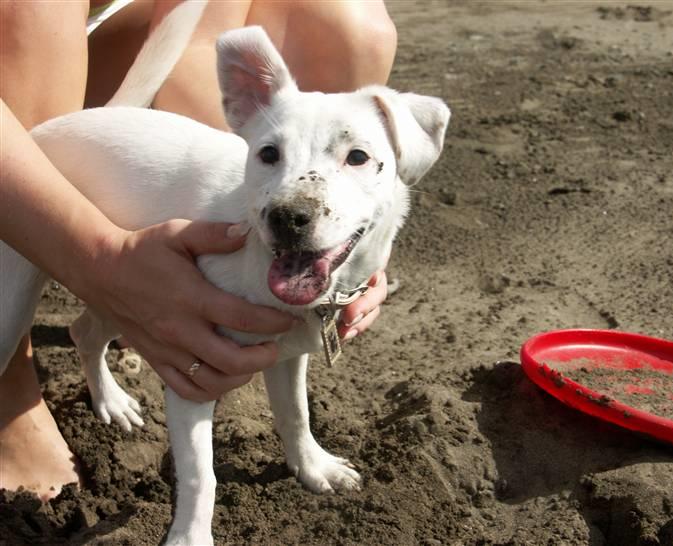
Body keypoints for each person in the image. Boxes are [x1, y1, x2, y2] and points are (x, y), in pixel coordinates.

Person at [0, 0, 397, 500]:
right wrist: (99, 255)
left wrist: (351, 243)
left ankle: (114, 324)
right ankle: (10, 388)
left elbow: (203, 35)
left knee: (352, 26)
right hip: (22, 119)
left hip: (113, 55)